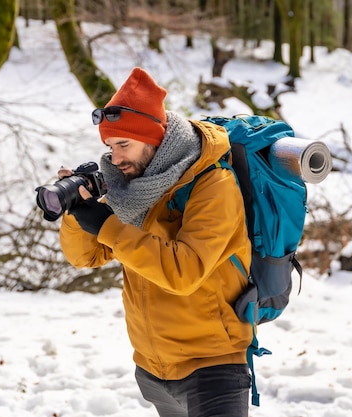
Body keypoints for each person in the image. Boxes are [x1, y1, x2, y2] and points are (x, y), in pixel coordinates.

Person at [58, 67, 253, 417]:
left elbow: (184, 271)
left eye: (123, 144)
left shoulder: (214, 184)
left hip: (211, 368)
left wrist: (108, 226)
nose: (115, 158)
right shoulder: (134, 188)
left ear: (155, 138)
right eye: (109, 146)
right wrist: (78, 211)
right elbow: (84, 256)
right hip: (152, 369)